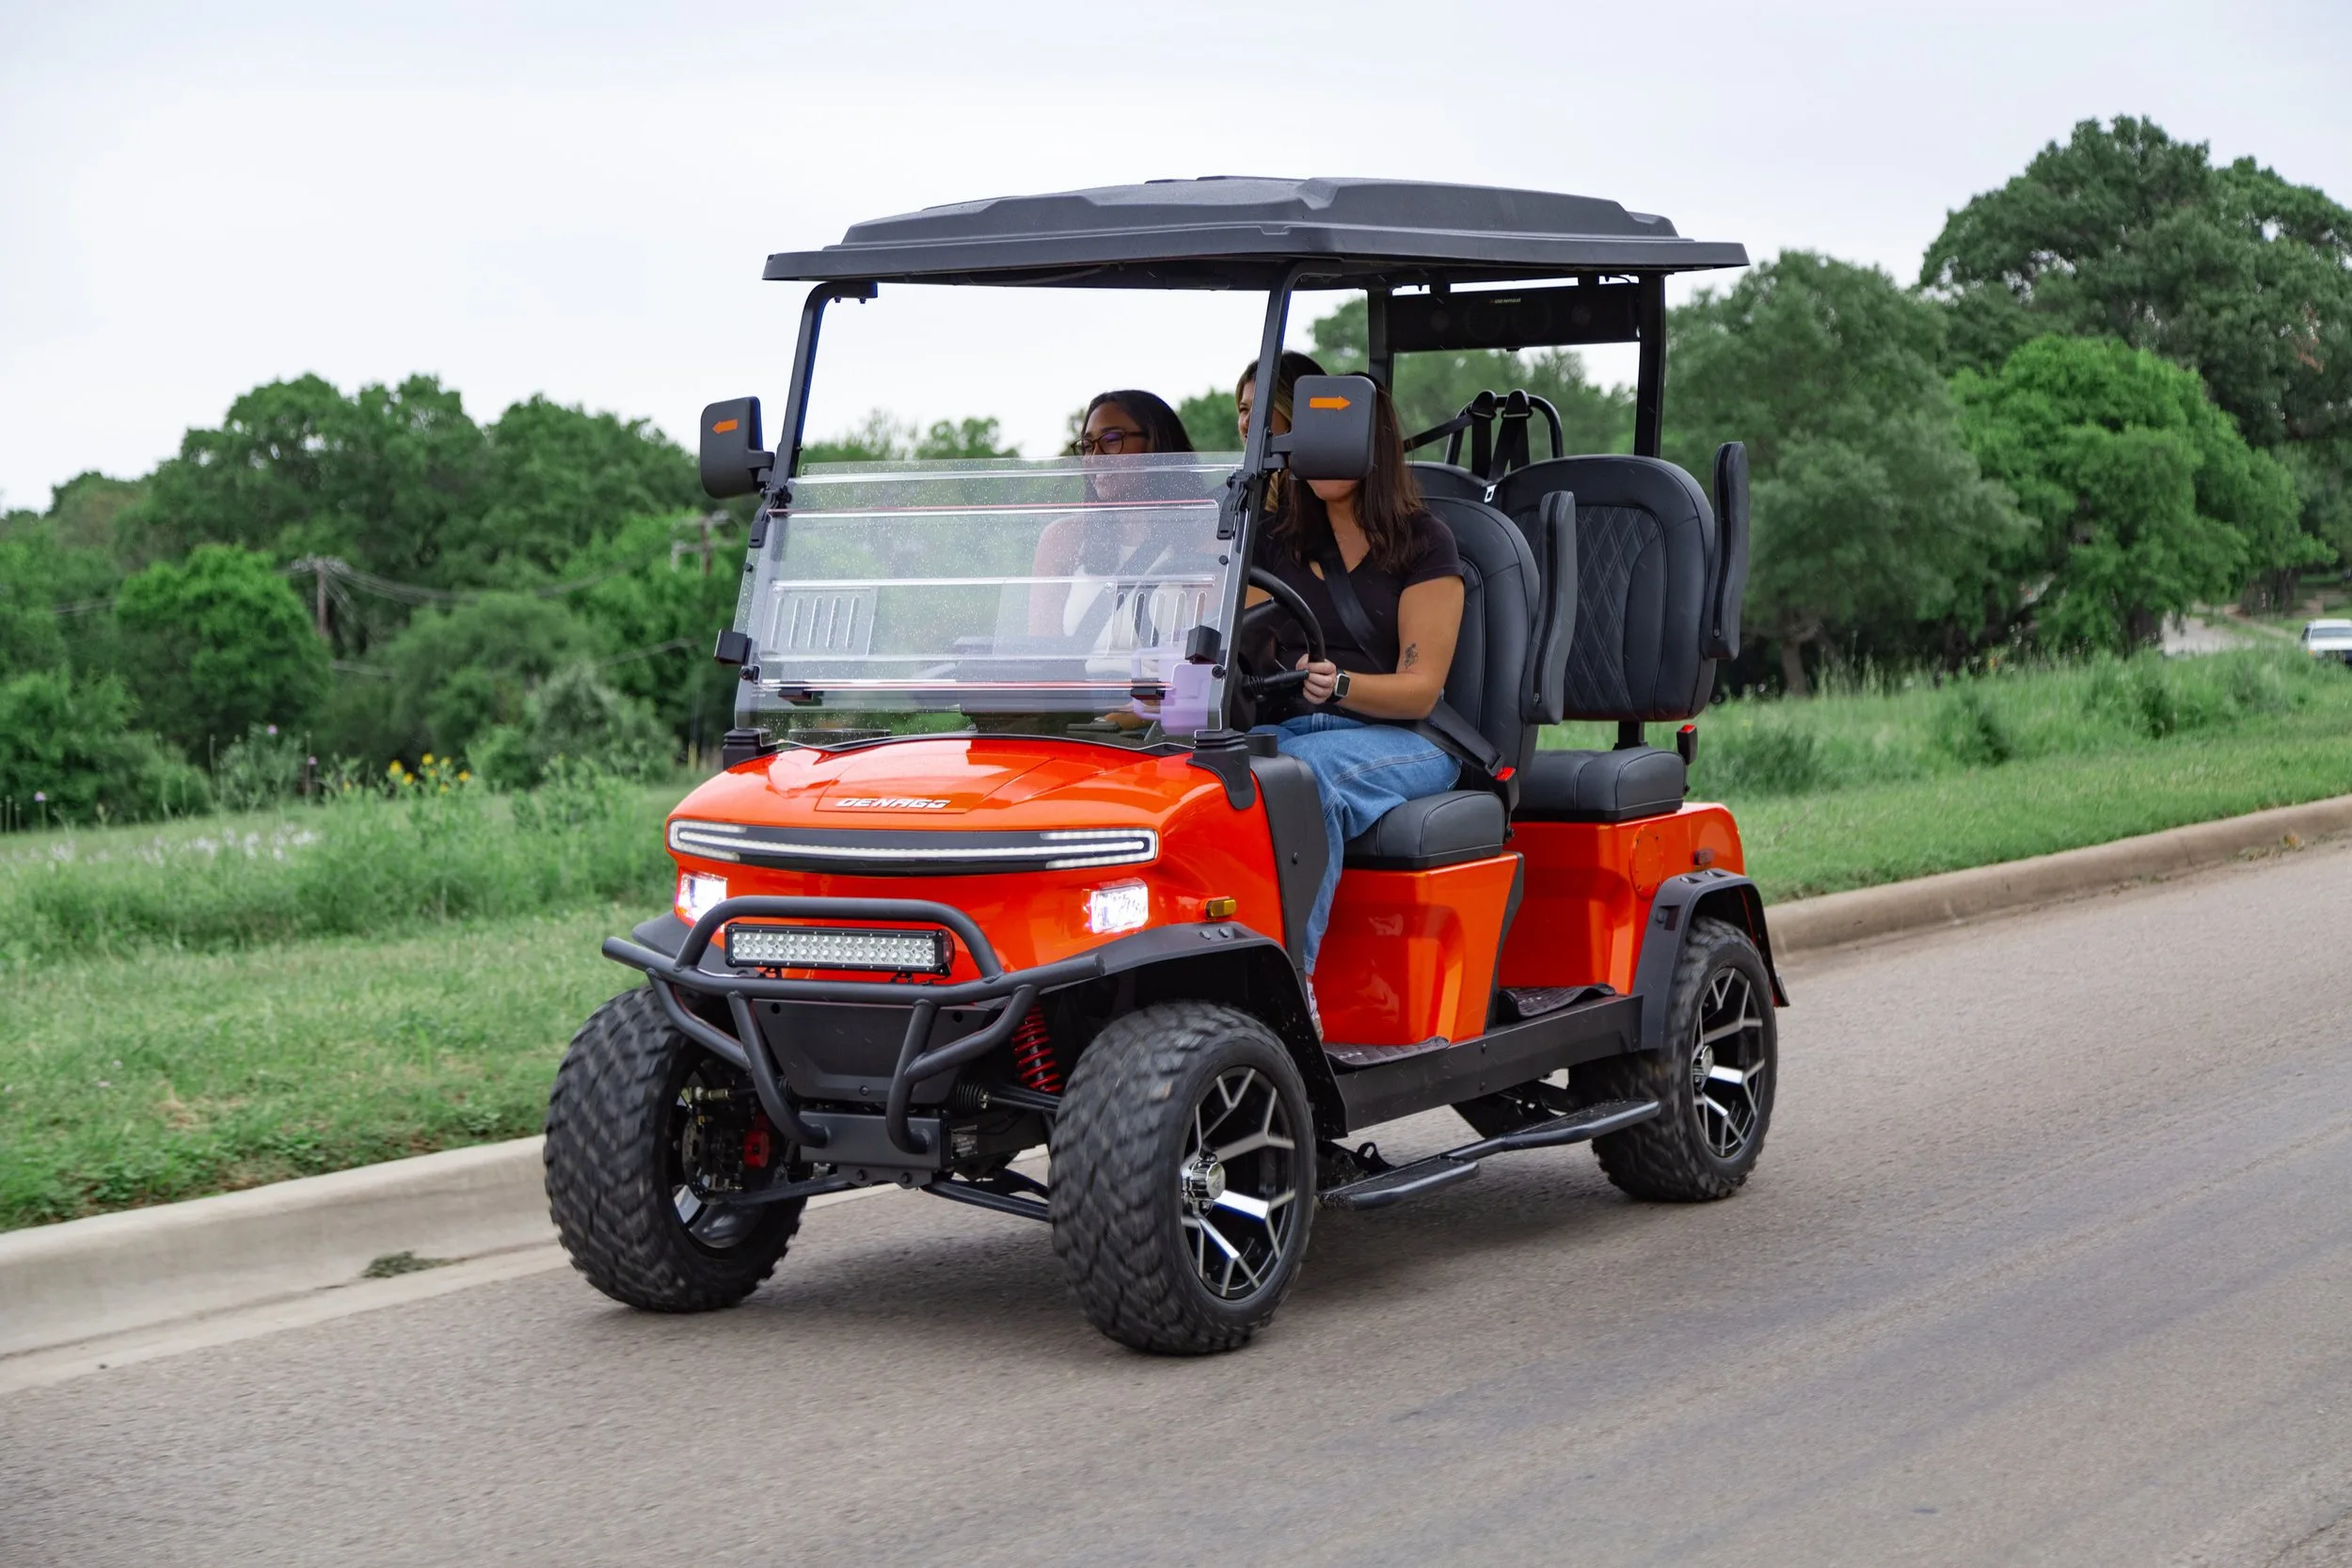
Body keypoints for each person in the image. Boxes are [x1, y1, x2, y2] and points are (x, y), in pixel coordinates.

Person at [1247, 381, 1466, 1018]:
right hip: (1292, 727)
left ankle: (1292, 997)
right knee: (1215, 778)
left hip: (1407, 737)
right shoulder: (1273, 540)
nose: (1323, 453)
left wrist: (1339, 683)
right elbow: (1243, 643)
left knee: (1305, 779)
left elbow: (1420, 688)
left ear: (1373, 444)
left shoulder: (1425, 542)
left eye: (1337, 438)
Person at [1029, 390, 1195, 639]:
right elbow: (1042, 653)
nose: (1095, 458)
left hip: (1167, 679)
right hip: (1081, 679)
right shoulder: (1062, 539)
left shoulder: (1207, 536)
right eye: (1087, 446)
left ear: (1156, 444)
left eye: (1111, 440)